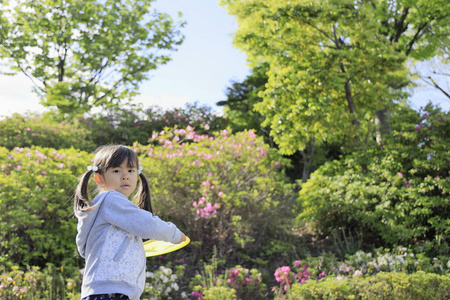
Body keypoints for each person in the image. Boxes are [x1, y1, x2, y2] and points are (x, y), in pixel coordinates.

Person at [74, 145, 186, 300]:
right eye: (116, 170)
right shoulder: (111, 200)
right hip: (110, 291)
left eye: (131, 171)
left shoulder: (106, 207)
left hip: (107, 291)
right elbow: (147, 224)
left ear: (137, 174)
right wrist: (175, 234)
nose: (125, 176)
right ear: (99, 178)